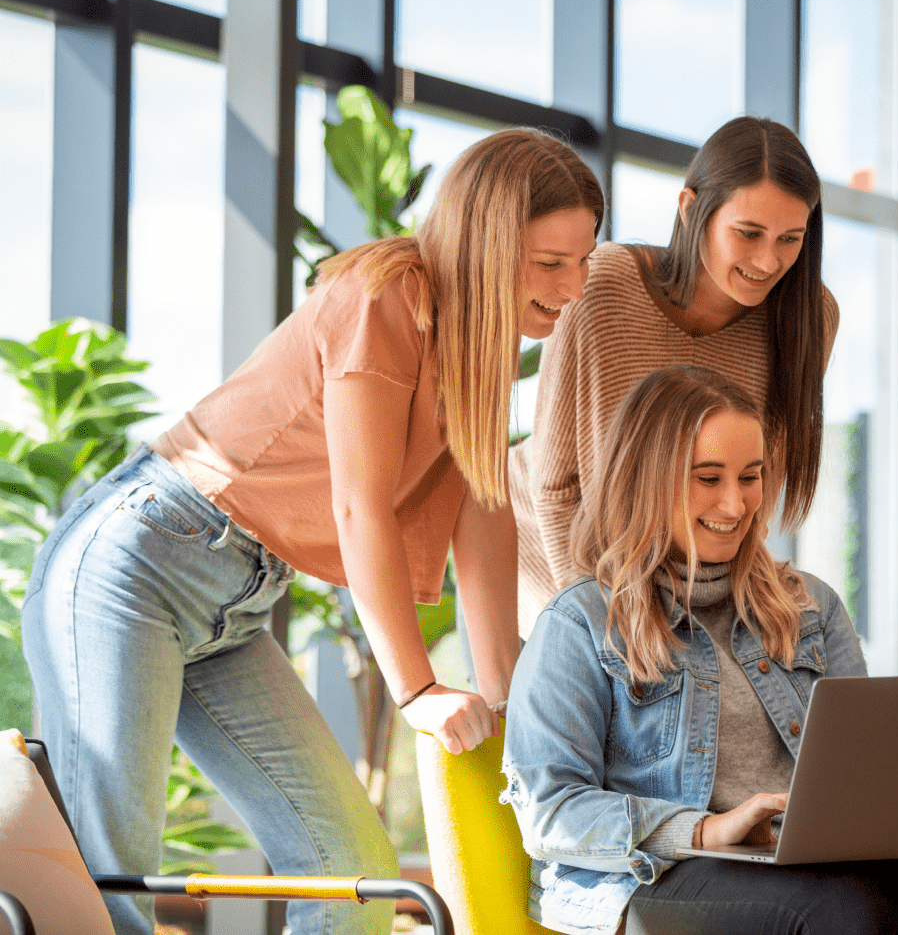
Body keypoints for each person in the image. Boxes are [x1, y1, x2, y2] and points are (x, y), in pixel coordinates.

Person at [21, 127, 604, 935]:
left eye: (583, 260)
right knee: (108, 880)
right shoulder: (385, 298)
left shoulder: (482, 341)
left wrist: (505, 698)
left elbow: (483, 503)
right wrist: (418, 689)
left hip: (233, 607)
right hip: (136, 566)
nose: (573, 287)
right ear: (485, 241)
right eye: (550, 264)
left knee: (349, 872)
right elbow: (358, 503)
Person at [502, 366, 898, 935]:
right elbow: (549, 811)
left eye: (750, 476)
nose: (735, 505)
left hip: (802, 866)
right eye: (708, 478)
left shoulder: (810, 607)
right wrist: (706, 829)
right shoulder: (580, 622)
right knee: (839, 913)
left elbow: (869, 767)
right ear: (645, 479)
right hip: (650, 877)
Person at [509, 116, 839, 640]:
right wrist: (597, 626)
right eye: (748, 233)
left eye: (790, 239)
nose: (768, 259)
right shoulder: (601, 287)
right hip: (549, 580)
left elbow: (751, 490)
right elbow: (555, 488)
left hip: (677, 603)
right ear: (690, 210)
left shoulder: (806, 318)